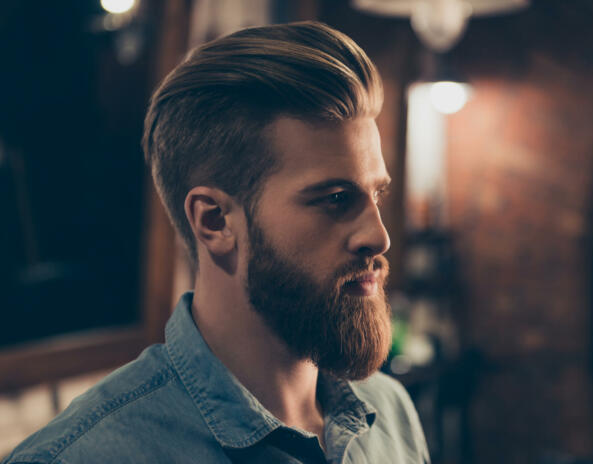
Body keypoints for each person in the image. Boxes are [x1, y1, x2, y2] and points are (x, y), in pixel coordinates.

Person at [3, 21, 430, 464]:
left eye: (375, 194)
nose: (378, 236)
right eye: (336, 199)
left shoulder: (390, 413)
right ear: (215, 221)